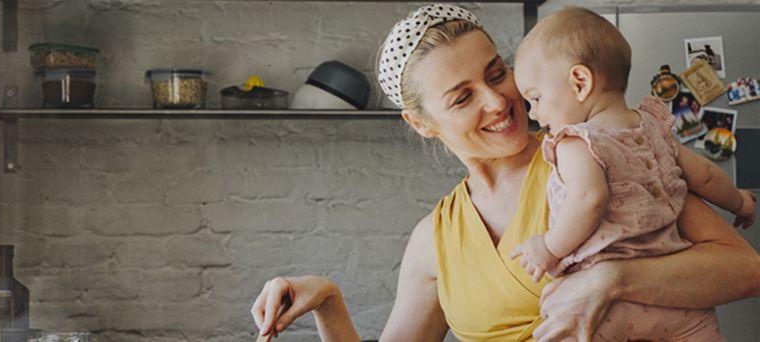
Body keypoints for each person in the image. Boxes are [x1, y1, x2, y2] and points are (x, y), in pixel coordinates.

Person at [250, 4, 760, 342]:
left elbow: (745, 270)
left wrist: (614, 278)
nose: (498, 101)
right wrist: (328, 300)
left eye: (497, 73)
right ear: (422, 123)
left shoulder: (592, 155)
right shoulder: (437, 238)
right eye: (463, 96)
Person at [508, 7, 755, 341]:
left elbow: (589, 199)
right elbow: (706, 176)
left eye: (535, 98)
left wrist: (549, 248)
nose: (535, 113)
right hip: (678, 300)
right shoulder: (655, 129)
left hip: (610, 307)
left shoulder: (575, 143)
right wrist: (740, 202)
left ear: (580, 82)